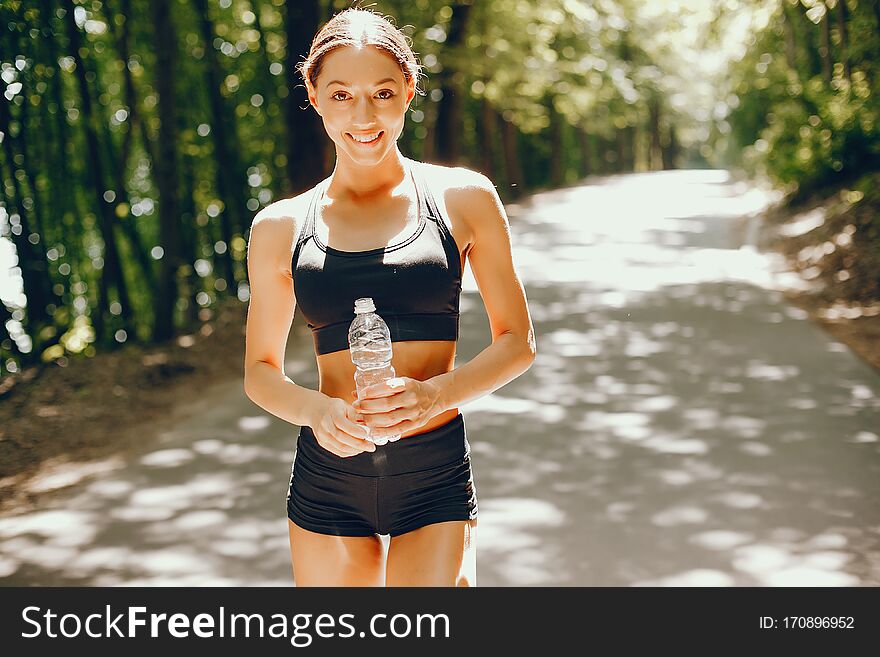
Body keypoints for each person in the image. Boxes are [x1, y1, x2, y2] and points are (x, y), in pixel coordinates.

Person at [243, 7, 536, 587]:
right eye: (342, 93)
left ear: (408, 91)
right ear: (315, 96)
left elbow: (518, 343)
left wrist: (436, 394)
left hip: (433, 471)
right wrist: (316, 411)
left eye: (381, 92)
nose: (363, 114)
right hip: (330, 476)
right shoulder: (279, 227)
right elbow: (259, 371)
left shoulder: (463, 198)